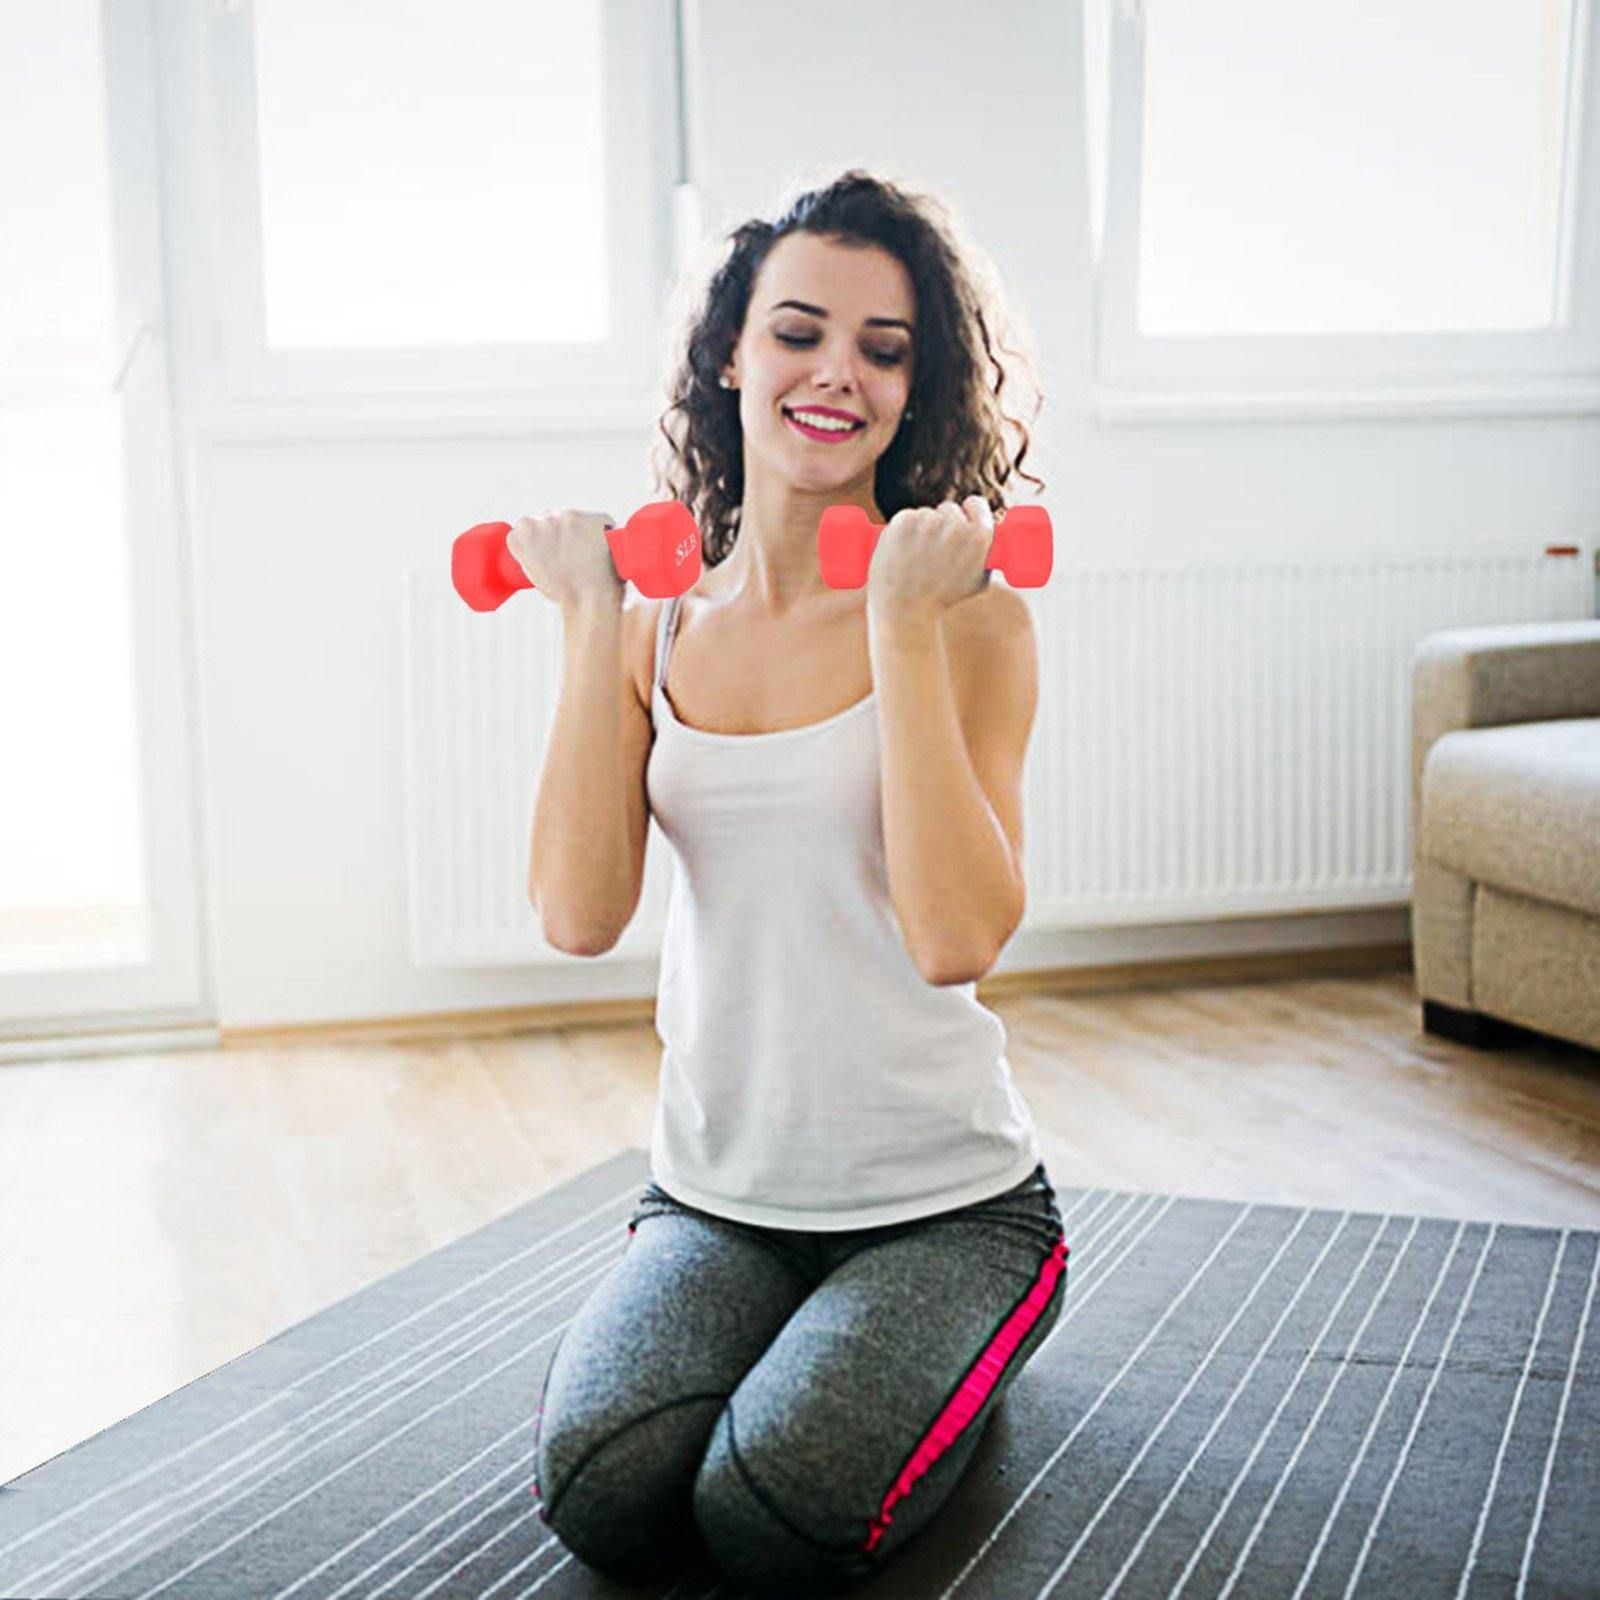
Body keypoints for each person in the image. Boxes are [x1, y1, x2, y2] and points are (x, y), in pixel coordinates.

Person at [523, 167, 1065, 1595]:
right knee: (608, 1494)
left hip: (948, 1204)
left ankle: (942, 1348)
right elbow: (578, 918)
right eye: (800, 332)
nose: (839, 374)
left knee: (773, 1514)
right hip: (714, 1197)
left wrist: (898, 623)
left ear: (917, 387)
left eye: (885, 350)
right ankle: (827, 1358)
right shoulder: (656, 628)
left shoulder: (971, 621)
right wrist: (591, 623)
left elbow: (958, 938)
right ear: (730, 354)